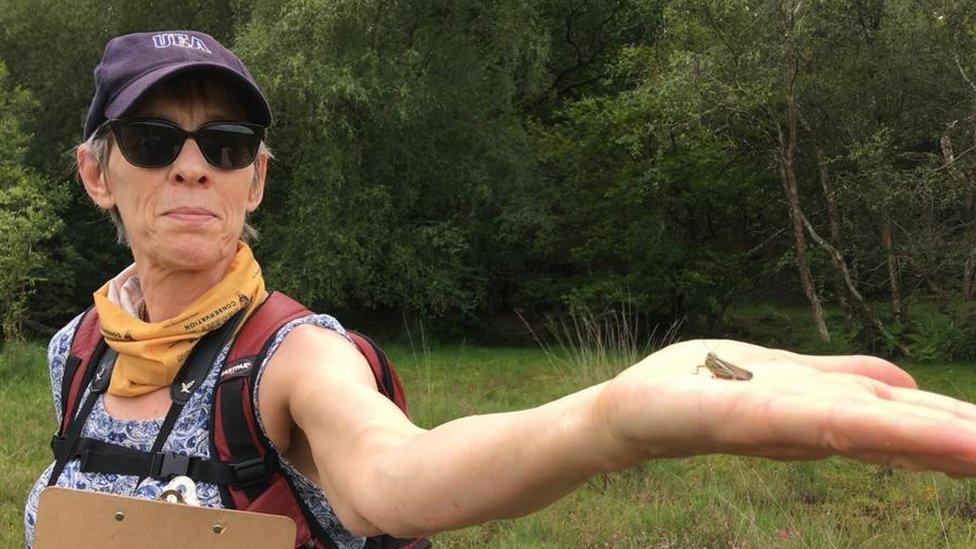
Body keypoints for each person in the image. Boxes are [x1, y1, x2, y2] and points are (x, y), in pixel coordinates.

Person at [24, 29, 976, 548]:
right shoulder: (77, 350)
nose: (193, 168)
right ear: (98, 174)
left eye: (225, 147)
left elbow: (402, 475)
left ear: (255, 180)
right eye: (155, 141)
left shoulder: (290, 357)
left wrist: (605, 421)